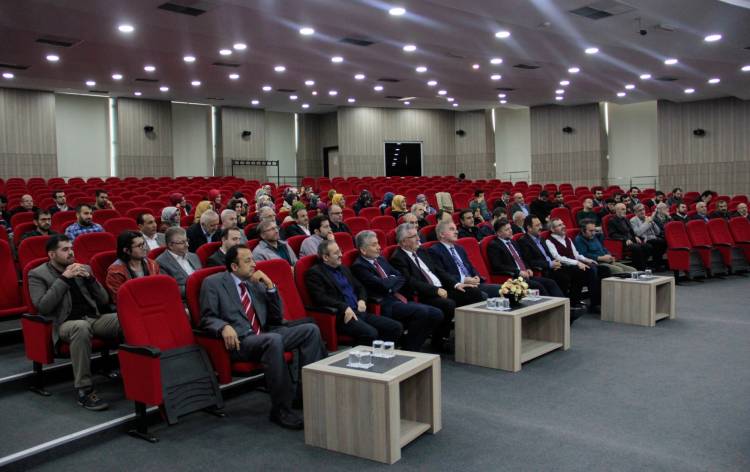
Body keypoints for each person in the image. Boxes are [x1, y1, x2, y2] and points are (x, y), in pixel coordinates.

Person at [200, 245, 326, 430]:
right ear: (234, 266)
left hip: (266, 333)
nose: (254, 264)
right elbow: (206, 318)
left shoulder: (254, 281)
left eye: (253, 259)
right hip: (241, 341)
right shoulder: (213, 283)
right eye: (248, 261)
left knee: (310, 330)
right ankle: (281, 410)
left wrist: (270, 287)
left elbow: (276, 317)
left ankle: (305, 394)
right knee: (273, 340)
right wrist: (223, 326)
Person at [28, 235, 120, 410]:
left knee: (124, 319)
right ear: (52, 254)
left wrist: (90, 278)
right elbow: (43, 307)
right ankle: (85, 390)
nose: (71, 252)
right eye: (65, 249)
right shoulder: (37, 274)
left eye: (71, 248)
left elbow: (103, 299)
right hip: (64, 324)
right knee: (81, 327)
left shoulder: (83, 268)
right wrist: (64, 279)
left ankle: (136, 374)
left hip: (93, 318)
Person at [390, 223, 483, 352]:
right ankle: (439, 341)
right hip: (424, 294)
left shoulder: (421, 251)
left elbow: (439, 271)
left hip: (442, 288)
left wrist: (456, 284)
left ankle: (473, 336)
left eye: (418, 235)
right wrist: (435, 290)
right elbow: (410, 282)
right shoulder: (398, 258)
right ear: (404, 241)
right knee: (448, 304)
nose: (418, 239)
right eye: (414, 236)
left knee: (473, 293)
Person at [351, 231, 443, 352]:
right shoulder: (359, 266)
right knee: (422, 312)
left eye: (378, 243)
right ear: (363, 250)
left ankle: (410, 345)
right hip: (384, 303)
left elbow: (401, 277)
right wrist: (391, 281)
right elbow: (382, 285)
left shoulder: (380, 259)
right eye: (374, 245)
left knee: (436, 313)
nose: (379, 247)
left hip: (397, 297)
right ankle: (410, 349)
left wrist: (390, 284)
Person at [306, 240, 402, 347]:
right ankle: (362, 356)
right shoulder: (315, 273)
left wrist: (362, 300)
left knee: (395, 327)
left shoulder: (343, 268)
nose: (341, 255)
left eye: (340, 251)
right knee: (371, 333)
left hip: (359, 312)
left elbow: (360, 287)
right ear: (325, 257)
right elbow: (320, 298)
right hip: (343, 316)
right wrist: (344, 307)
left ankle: (381, 354)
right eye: (336, 253)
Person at [517, 215, 586, 321]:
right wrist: (549, 264)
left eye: (540, 224)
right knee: (563, 277)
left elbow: (548, 255)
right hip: (543, 269)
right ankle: (564, 309)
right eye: (537, 225)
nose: (541, 227)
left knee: (579, 271)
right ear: (529, 228)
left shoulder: (541, 238)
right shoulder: (524, 241)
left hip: (553, 265)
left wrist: (555, 262)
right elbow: (530, 261)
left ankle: (573, 302)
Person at [486, 219, 564, 296]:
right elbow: (498, 266)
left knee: (550, 283)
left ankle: (564, 303)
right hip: (513, 278)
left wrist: (527, 268)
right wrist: (518, 272)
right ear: (499, 233)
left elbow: (522, 258)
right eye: (507, 230)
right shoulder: (494, 245)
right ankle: (549, 304)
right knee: (538, 286)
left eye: (510, 228)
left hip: (525, 275)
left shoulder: (512, 242)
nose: (510, 231)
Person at [429, 220, 502, 299]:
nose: (456, 232)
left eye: (456, 229)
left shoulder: (459, 248)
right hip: (456, 287)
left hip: (473, 284)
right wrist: (463, 279)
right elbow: (442, 274)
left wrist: (476, 276)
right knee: (482, 295)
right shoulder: (434, 251)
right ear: (442, 234)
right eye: (451, 229)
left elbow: (470, 266)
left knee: (502, 289)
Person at [545, 218, 601, 311]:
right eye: (559, 225)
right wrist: (577, 263)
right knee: (588, 270)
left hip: (573, 265)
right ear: (552, 229)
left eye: (563, 224)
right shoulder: (549, 241)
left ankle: (593, 301)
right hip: (562, 266)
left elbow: (576, 254)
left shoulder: (568, 238)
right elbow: (558, 257)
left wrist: (586, 259)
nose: (563, 226)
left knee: (595, 267)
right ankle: (587, 303)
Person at [105, 231, 160, 302]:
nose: (144, 248)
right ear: (126, 250)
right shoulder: (115, 272)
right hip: (132, 305)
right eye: (139, 246)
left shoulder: (152, 264)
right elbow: (119, 298)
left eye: (144, 244)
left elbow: (159, 287)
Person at [156, 226, 201, 300]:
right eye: (182, 242)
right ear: (171, 245)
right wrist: (198, 288)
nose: (187, 245)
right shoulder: (161, 263)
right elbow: (170, 289)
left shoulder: (193, 256)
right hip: (184, 301)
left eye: (187, 241)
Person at [607, 203, 653, 271]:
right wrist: (625, 239)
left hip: (631, 239)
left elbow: (631, 231)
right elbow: (613, 234)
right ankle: (640, 268)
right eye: (622, 209)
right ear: (617, 210)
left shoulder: (626, 219)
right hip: (622, 242)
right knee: (637, 248)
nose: (625, 211)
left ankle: (642, 264)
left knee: (648, 246)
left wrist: (635, 236)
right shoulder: (612, 221)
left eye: (625, 209)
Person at [630, 204, 667, 270]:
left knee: (663, 242)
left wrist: (652, 223)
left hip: (653, 238)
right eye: (640, 210)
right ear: (635, 212)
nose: (642, 212)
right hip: (644, 239)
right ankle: (655, 264)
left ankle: (656, 264)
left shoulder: (648, 218)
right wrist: (647, 223)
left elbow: (658, 232)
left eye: (643, 209)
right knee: (659, 242)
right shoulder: (633, 220)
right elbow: (638, 233)